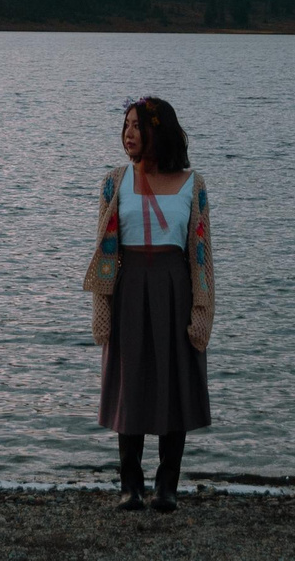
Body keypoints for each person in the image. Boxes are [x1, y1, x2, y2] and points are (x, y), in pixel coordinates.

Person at [83, 94, 213, 512]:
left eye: (138, 126)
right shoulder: (113, 181)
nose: (129, 134)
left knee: (175, 381)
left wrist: (202, 306)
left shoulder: (193, 184)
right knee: (130, 381)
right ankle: (130, 486)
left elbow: (201, 252)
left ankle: (167, 487)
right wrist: (102, 303)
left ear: (159, 130)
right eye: (126, 126)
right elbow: (104, 250)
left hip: (176, 288)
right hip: (129, 288)